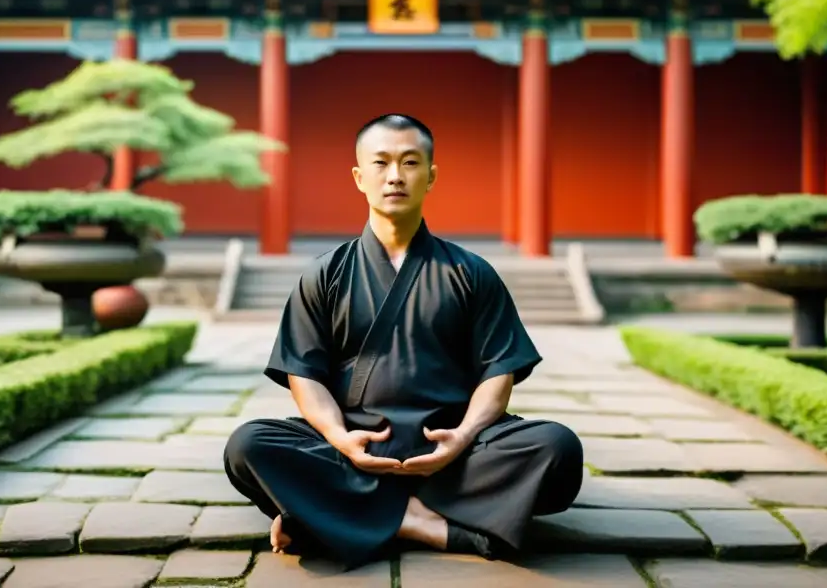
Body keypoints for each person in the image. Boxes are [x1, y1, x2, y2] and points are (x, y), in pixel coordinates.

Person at [223, 113, 584, 568]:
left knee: (558, 448)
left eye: (410, 162)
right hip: (354, 450)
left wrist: (464, 435)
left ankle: (336, 513)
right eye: (381, 163)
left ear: (430, 176)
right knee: (248, 445)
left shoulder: (469, 273)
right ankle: (419, 522)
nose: (395, 176)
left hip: (453, 452)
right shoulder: (325, 274)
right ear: (359, 177)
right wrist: (338, 437)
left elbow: (499, 371)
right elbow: (305, 376)